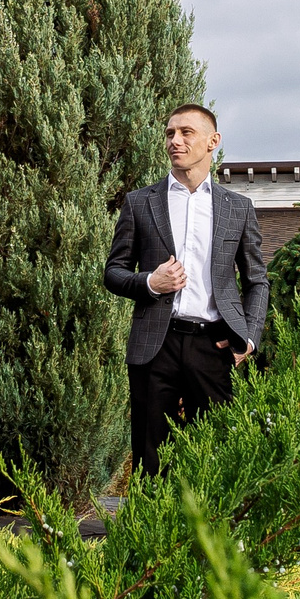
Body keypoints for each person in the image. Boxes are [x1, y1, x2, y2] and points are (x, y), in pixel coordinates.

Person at [104, 102, 269, 479]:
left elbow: (257, 279)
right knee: (150, 457)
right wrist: (149, 281)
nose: (174, 141)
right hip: (154, 345)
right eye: (169, 133)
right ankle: (147, 534)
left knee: (216, 454)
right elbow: (113, 272)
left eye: (185, 132)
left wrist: (249, 338)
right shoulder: (140, 203)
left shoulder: (238, 209)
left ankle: (209, 536)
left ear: (213, 141)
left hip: (214, 345)